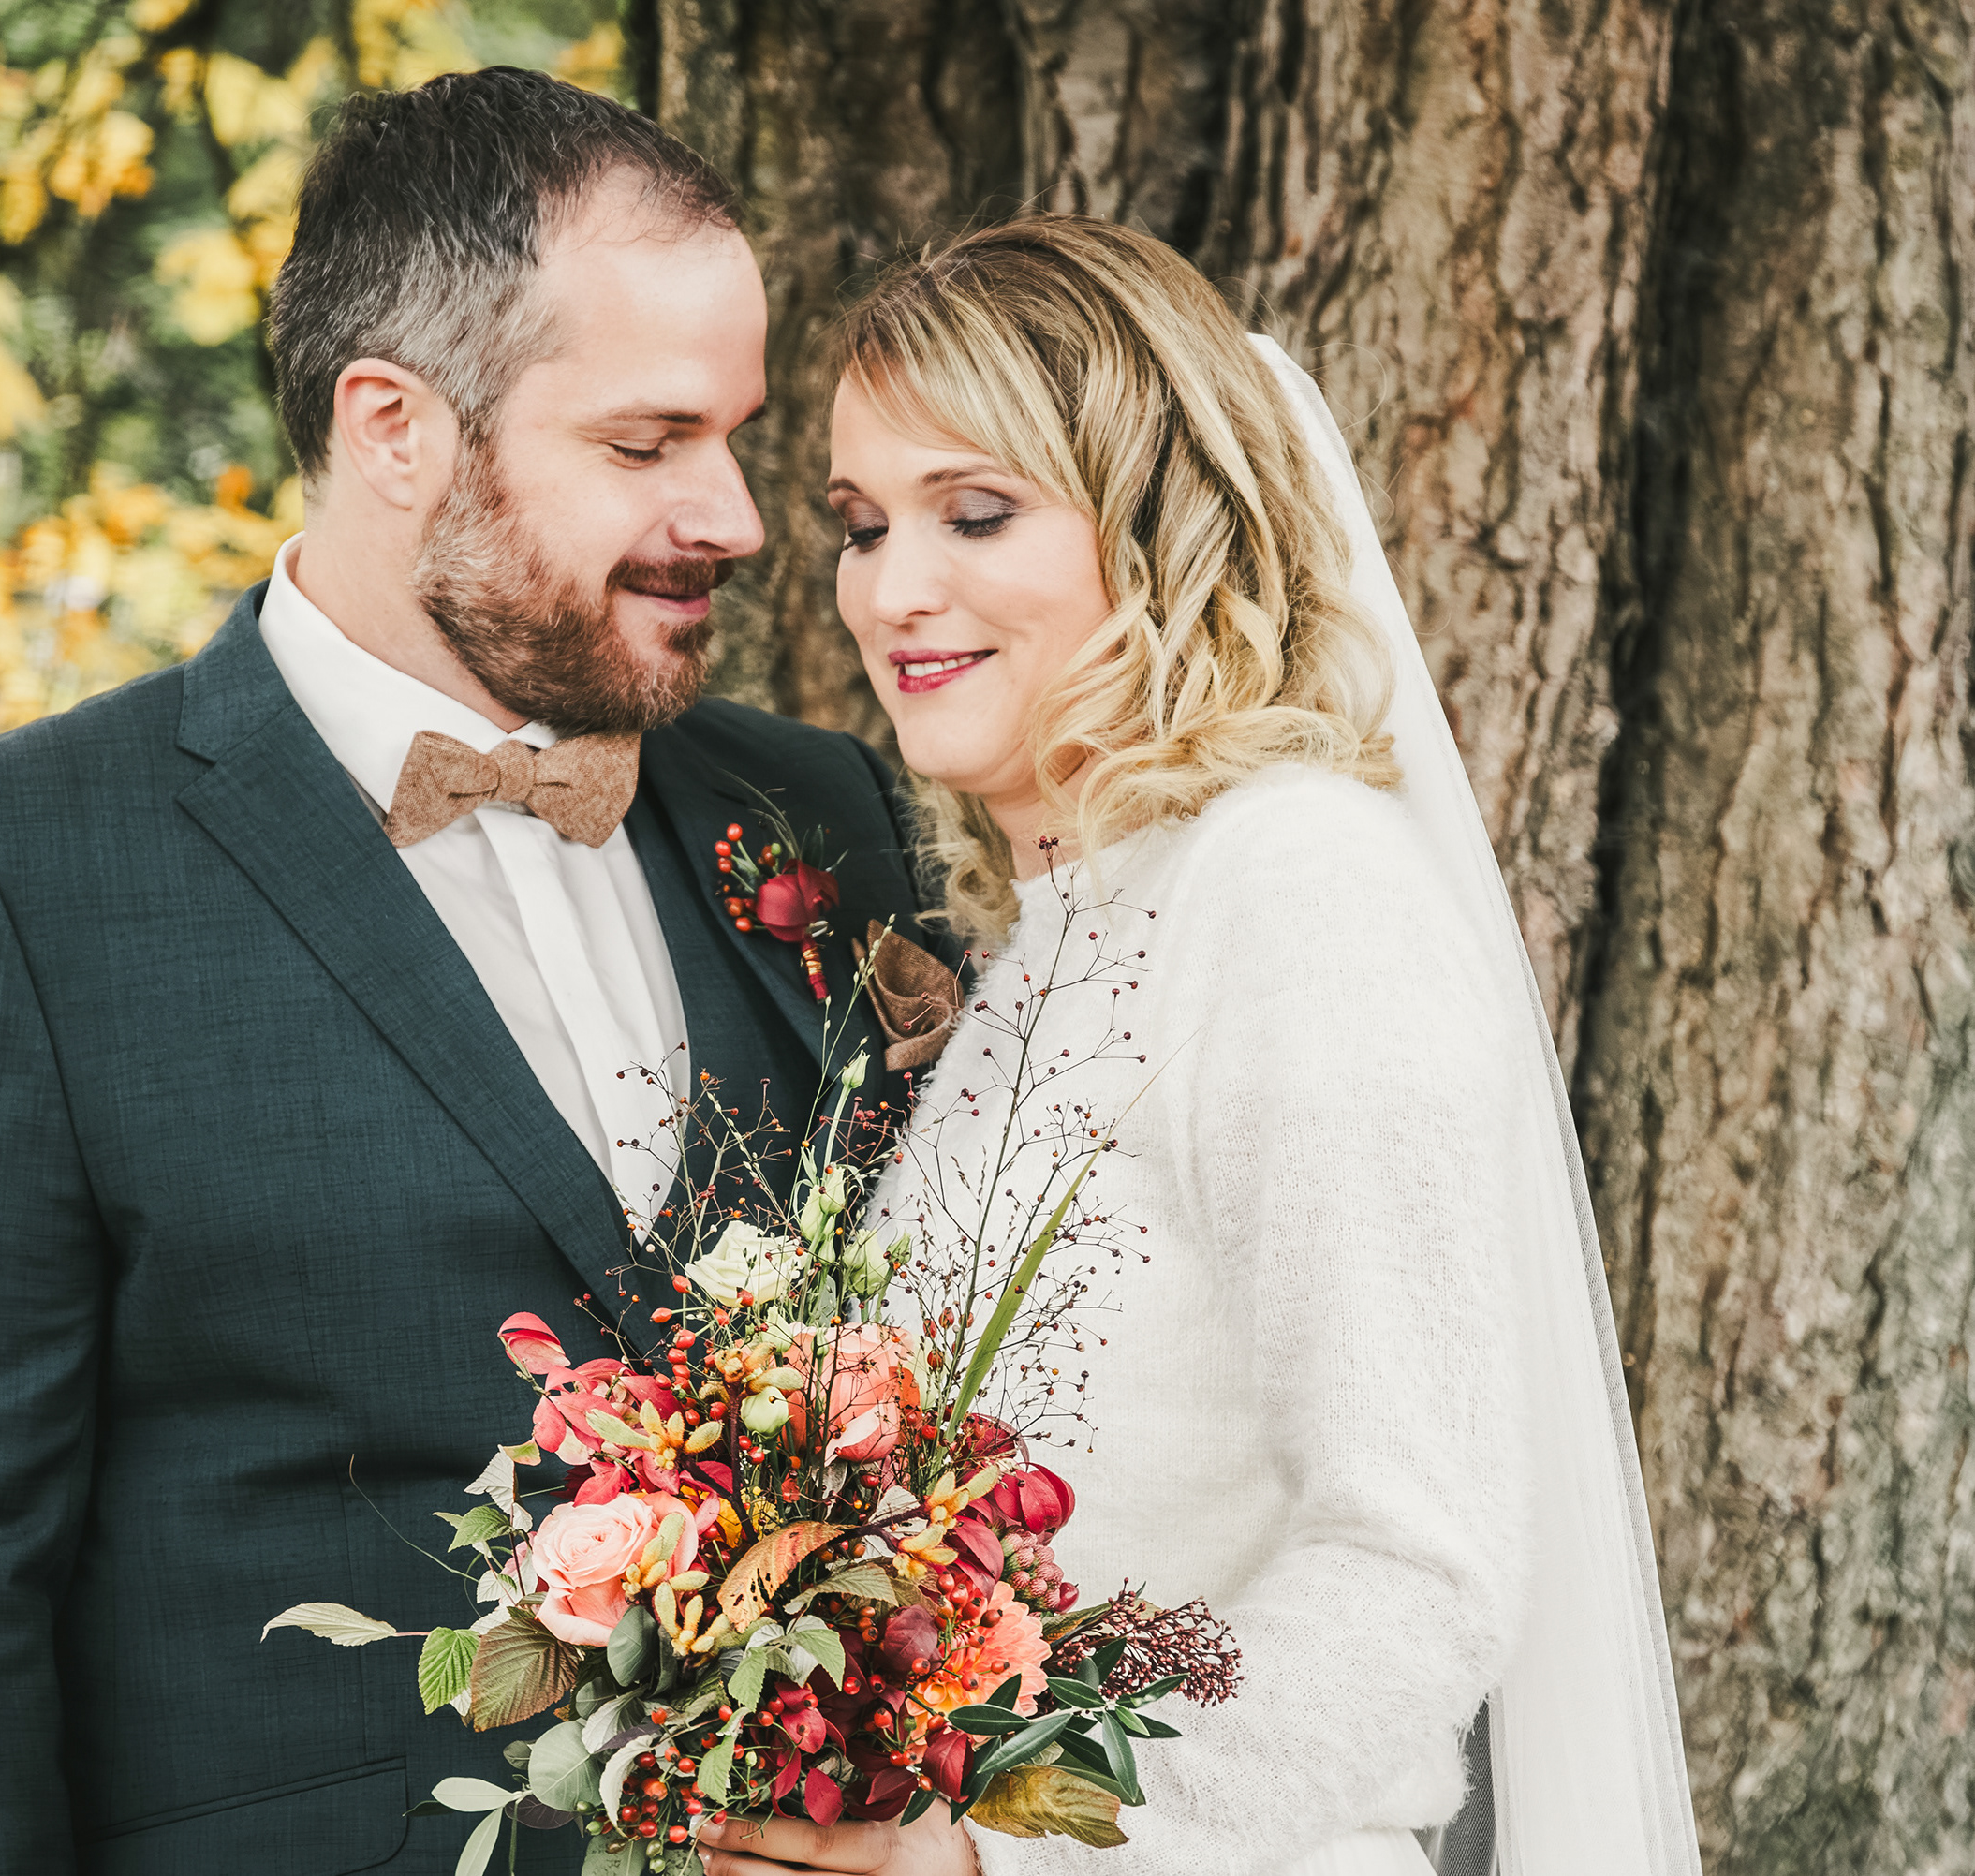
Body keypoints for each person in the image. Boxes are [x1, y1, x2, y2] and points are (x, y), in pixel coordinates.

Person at [0, 70, 932, 1876]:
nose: (733, 517)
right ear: (394, 428)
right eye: (645, 445)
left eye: (733, 436)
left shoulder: (818, 812)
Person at [697, 217, 1701, 1876]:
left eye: (974, 512)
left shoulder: (1291, 892)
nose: (891, 590)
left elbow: (1418, 1563)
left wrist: (1007, 1855)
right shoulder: (1054, 937)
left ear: (1162, 527)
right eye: (861, 526)